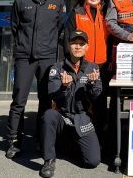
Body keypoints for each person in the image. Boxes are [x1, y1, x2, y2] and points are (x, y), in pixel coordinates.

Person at [6, 0, 66, 159]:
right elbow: (15, 27)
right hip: (25, 57)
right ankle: (14, 141)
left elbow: (59, 28)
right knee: (19, 101)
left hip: (47, 58)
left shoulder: (57, 2)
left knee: (45, 100)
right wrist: (22, 47)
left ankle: (42, 140)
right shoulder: (21, 1)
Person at [40, 30, 102, 177]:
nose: (78, 46)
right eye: (74, 43)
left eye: (82, 44)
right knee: (49, 115)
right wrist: (64, 87)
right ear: (68, 45)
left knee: (92, 161)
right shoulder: (57, 68)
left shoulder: (93, 67)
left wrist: (92, 85)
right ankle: (49, 160)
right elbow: (53, 95)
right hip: (62, 116)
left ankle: (72, 145)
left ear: (87, 47)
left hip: (82, 119)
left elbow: (97, 98)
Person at [62, 0, 109, 138]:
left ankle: (99, 138)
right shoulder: (77, 13)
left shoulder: (107, 13)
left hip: (102, 65)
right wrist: (71, 63)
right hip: (82, 65)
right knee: (81, 102)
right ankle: (79, 136)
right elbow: (67, 39)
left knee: (100, 102)